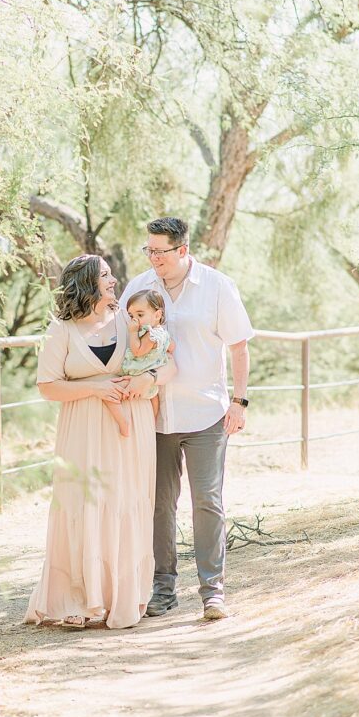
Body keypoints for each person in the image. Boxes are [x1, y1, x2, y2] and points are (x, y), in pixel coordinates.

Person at [24, 254, 176, 630]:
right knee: (82, 503)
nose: (113, 280)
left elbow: (169, 363)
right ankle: (75, 599)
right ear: (87, 282)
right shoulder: (60, 329)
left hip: (131, 426)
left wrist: (151, 379)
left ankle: (119, 597)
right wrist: (96, 388)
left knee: (124, 504)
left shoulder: (129, 321)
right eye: (105, 275)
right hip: (83, 428)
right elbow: (47, 386)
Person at [118, 217, 253, 621]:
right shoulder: (140, 288)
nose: (153, 258)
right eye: (149, 250)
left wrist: (239, 402)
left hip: (206, 414)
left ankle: (213, 591)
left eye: (160, 251)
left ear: (182, 250)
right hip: (154, 417)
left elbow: (239, 346)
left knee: (207, 502)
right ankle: (163, 589)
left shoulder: (216, 286)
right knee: (159, 505)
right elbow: (121, 337)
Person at [105, 290, 174, 436]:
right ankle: (152, 425)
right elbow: (172, 347)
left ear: (157, 315)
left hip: (137, 375)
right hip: (151, 384)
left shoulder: (149, 334)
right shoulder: (163, 334)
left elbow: (137, 351)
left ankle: (123, 423)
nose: (134, 320)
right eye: (131, 316)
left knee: (109, 393)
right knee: (154, 401)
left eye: (140, 315)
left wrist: (132, 333)